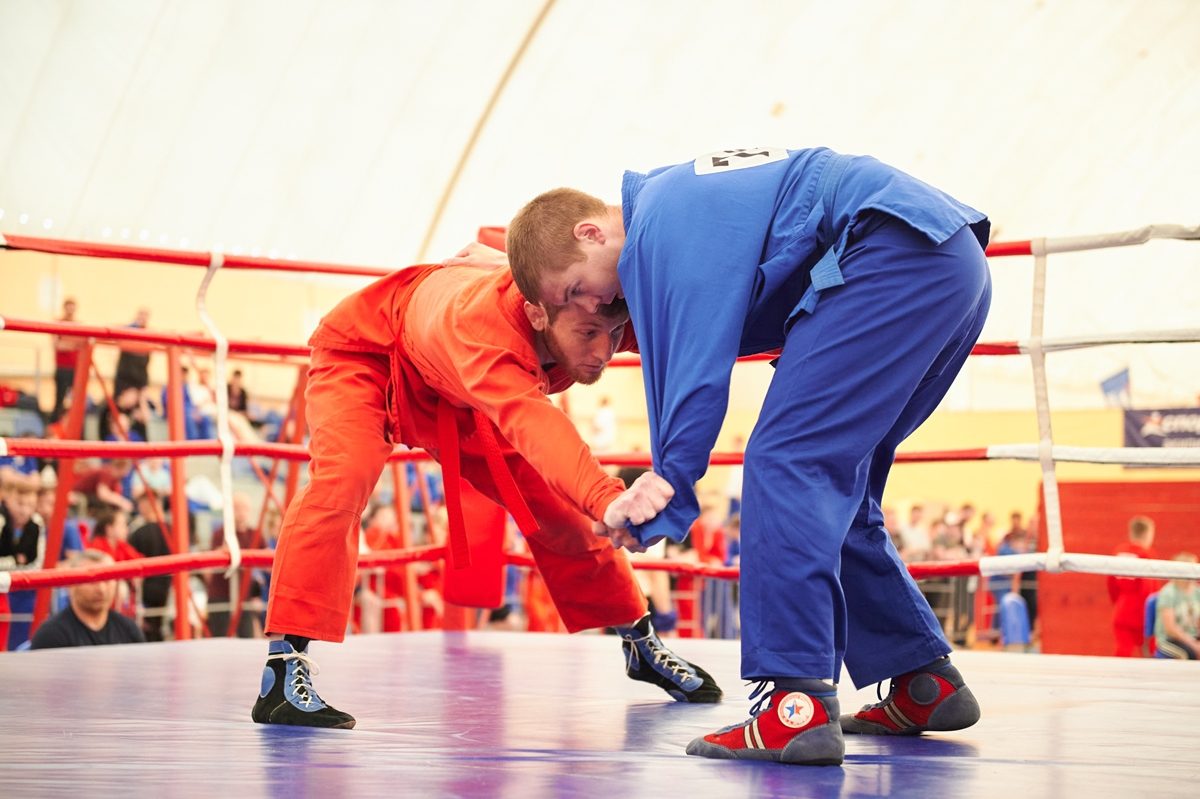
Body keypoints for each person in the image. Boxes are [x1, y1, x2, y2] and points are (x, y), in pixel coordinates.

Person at [507, 145, 991, 765]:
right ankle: (922, 680)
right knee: (835, 486)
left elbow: (695, 364)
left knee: (786, 461)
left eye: (580, 289)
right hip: (944, 263)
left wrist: (669, 482)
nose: (594, 308)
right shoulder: (677, 209)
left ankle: (797, 706)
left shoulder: (661, 222)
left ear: (591, 231)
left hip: (891, 253)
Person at [255, 247, 722, 730]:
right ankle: (283, 666)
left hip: (458, 394)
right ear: (539, 314)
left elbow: (693, 323)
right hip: (368, 357)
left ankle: (640, 642)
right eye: (587, 335)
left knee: (561, 512)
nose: (603, 352)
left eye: (614, 335)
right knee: (342, 479)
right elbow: (537, 425)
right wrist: (608, 495)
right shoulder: (485, 330)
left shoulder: (587, 298)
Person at [29, 550, 145, 649]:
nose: (101, 589)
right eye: (92, 581)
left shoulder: (129, 630)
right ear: (72, 585)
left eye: (108, 580)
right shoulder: (51, 635)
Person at [1107, 515, 1159, 657]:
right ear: (1148, 534)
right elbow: (1149, 587)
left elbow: (1111, 583)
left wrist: (1118, 603)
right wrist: (1152, 614)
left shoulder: (1118, 552)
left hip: (1122, 608)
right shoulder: (1146, 554)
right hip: (1141, 610)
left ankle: (1118, 678)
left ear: (1131, 532)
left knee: (1123, 651)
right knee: (1150, 651)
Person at [1153, 552, 1200, 660]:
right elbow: (1171, 629)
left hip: (1192, 637)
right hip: (1169, 640)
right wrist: (1193, 644)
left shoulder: (1197, 592)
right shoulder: (1168, 593)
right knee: (1189, 654)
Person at [51, 297, 85, 420]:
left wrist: (68, 343)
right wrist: (73, 344)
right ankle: (53, 428)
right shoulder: (58, 324)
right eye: (68, 306)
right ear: (64, 308)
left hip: (75, 368)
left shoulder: (78, 325)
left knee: (77, 402)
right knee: (59, 400)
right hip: (63, 368)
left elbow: (82, 345)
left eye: (73, 307)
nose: (71, 310)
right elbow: (57, 345)